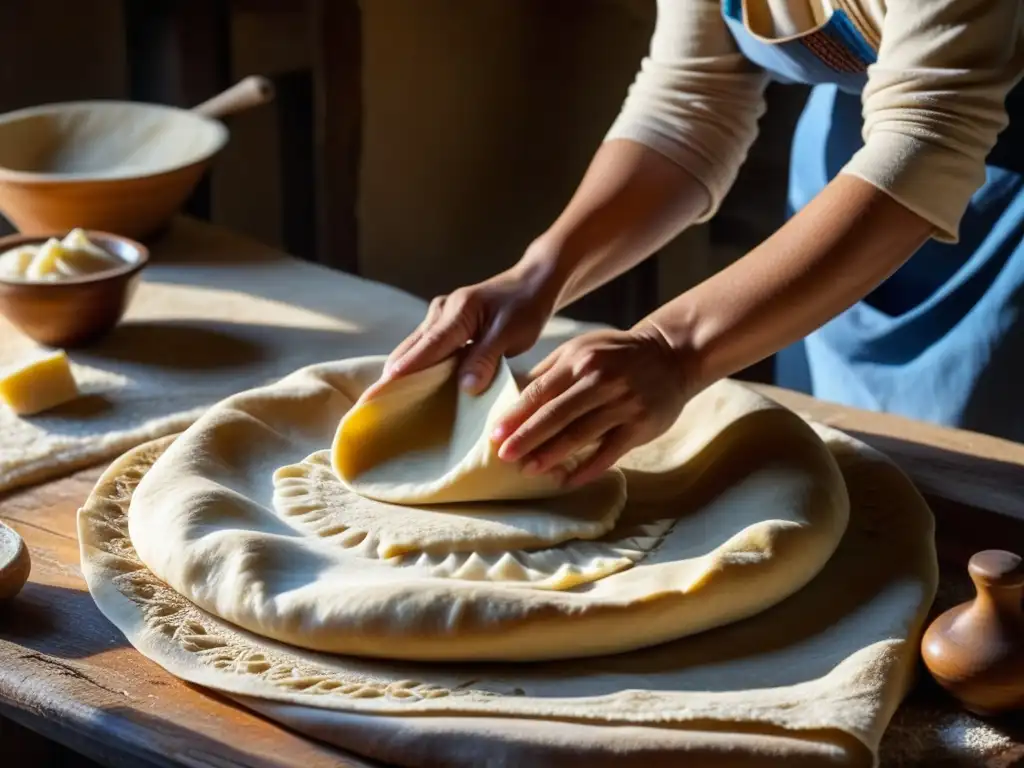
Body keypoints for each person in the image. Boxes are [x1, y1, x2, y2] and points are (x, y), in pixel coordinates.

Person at [375, 0, 1024, 488]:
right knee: (863, 479)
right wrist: (538, 275)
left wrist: (674, 349)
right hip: (849, 191)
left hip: (967, 197)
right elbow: (690, 100)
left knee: (985, 513)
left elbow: (931, 131)